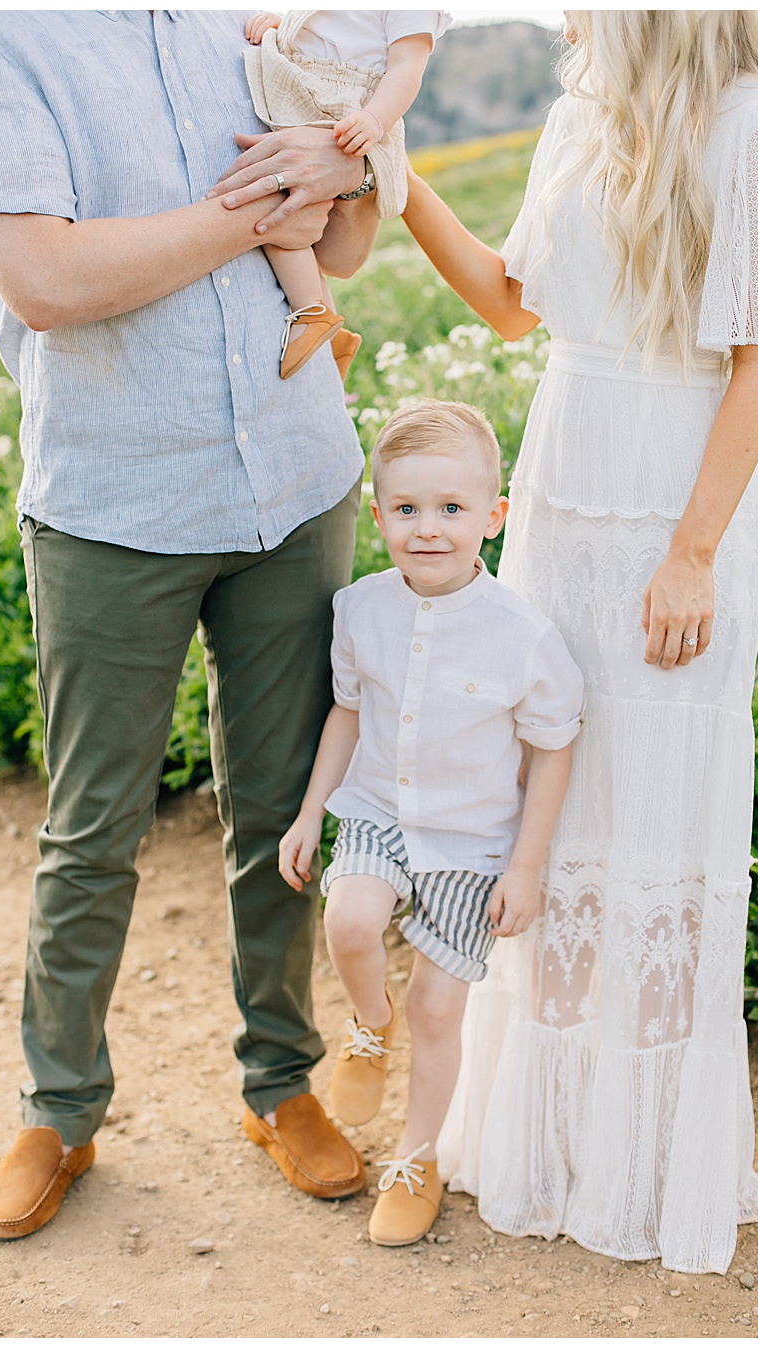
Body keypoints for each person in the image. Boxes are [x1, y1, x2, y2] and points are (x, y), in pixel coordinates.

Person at [0, 9, 382, 1242]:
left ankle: (281, 1083)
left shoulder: (253, 21)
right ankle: (58, 1108)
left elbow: (338, 245)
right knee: (94, 826)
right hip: (112, 497)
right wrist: (258, 211)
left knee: (284, 803)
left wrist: (341, 173)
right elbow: (51, 279)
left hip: (295, 475)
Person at [399, 11, 758, 1272]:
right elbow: (514, 308)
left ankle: (642, 1159)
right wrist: (398, 180)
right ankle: (549, 1138)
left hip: (671, 513)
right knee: (555, 809)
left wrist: (691, 550)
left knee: (656, 826)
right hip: (562, 492)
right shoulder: (581, 113)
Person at [277, 401, 582, 1247]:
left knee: (440, 1011)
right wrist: (312, 813)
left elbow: (554, 748)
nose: (429, 529)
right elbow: (346, 713)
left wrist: (525, 867)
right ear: (378, 517)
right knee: (348, 918)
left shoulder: (522, 636)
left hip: (472, 846)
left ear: (494, 517)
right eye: (407, 510)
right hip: (379, 813)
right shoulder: (360, 610)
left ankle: (418, 1159)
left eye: (452, 510)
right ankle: (368, 1024)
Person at [241, 10, 449, 376]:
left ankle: (311, 313)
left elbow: (407, 66)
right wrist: (283, 27)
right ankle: (327, 328)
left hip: (351, 106)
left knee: (281, 204)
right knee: (284, 202)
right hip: (302, 80)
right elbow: (322, 31)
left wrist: (375, 118)